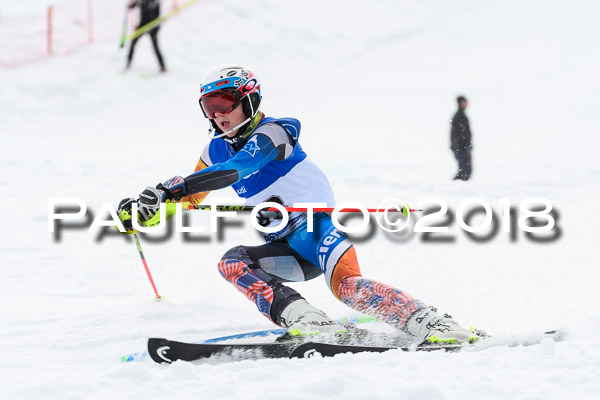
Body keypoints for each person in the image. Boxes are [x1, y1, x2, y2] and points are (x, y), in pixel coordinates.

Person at [118, 64, 480, 346]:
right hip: (286, 248)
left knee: (347, 288)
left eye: (224, 103)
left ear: (249, 100)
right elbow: (191, 200)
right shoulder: (212, 150)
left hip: (316, 230)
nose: (216, 114)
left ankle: (432, 322)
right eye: (208, 107)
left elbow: (237, 168)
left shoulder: (276, 131)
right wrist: (144, 213)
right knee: (232, 263)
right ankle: (308, 320)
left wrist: (173, 188)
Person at [126, 0, 166, 72]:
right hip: (142, 26)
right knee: (133, 42)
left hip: (152, 27)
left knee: (155, 47)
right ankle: (128, 62)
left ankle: (162, 66)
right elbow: (133, 6)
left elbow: (157, 17)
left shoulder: (155, 3)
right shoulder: (142, 1)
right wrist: (130, 6)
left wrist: (155, 28)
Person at [450, 96, 473, 180]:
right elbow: (459, 134)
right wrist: (463, 145)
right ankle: (457, 187)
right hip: (460, 147)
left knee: (465, 170)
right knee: (465, 170)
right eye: (465, 102)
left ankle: (456, 186)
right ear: (461, 103)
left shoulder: (461, 116)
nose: (466, 104)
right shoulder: (459, 116)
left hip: (462, 146)